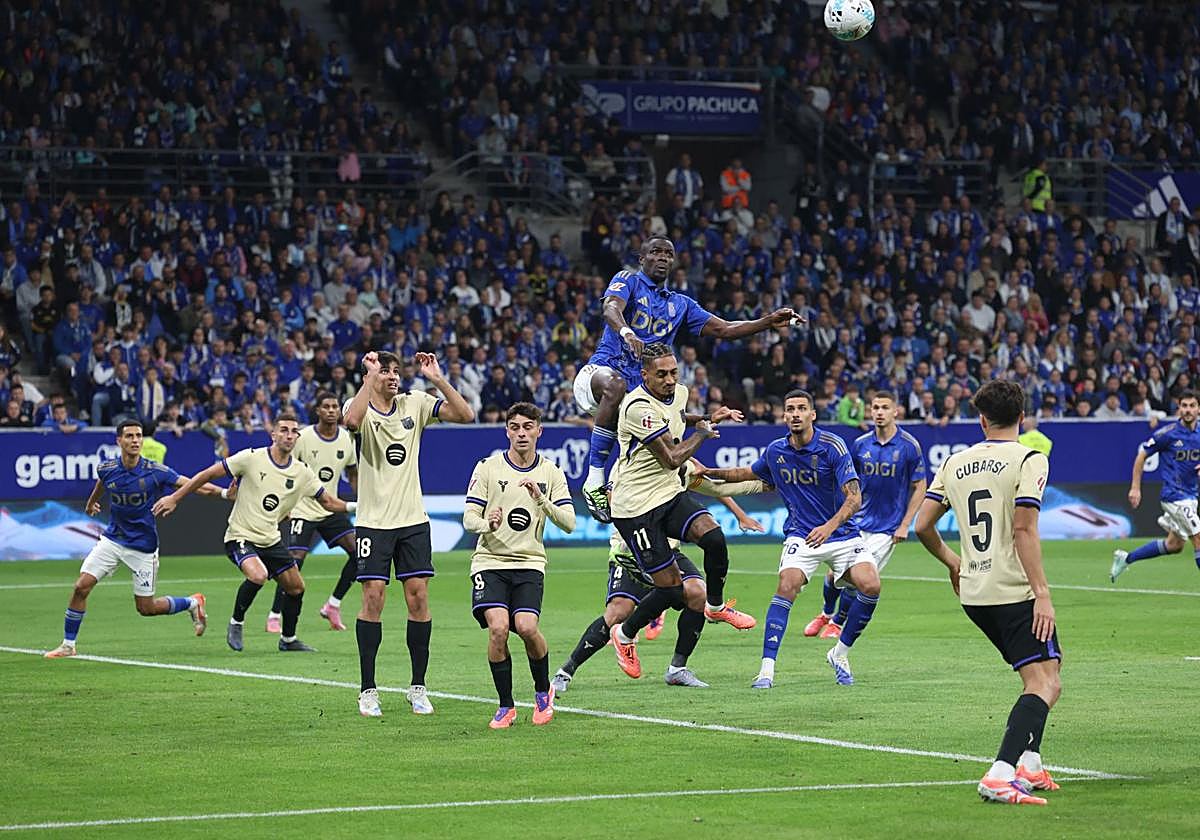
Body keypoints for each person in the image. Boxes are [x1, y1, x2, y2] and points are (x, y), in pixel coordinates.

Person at [575, 236, 797, 522]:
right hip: (599, 378)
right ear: (642, 259)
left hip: (635, 400)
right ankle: (594, 480)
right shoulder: (627, 280)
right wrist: (627, 333)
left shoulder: (680, 304)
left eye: (668, 253)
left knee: (675, 456)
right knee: (616, 385)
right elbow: (611, 308)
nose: (662, 257)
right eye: (655, 252)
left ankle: (638, 516)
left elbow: (725, 329)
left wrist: (767, 322)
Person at [915, 379, 1061, 805]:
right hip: (1013, 590)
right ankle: (1000, 773)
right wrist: (1042, 593)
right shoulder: (1029, 458)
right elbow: (1023, 529)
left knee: (1049, 667)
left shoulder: (954, 462)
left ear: (982, 420)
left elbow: (923, 525)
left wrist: (953, 562)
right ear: (1022, 417)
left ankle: (1030, 766)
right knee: (1044, 684)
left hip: (975, 591)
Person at [697, 390, 877, 688]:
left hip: (840, 533)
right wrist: (709, 471)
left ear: (812, 415)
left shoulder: (832, 446)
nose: (795, 413)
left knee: (871, 585)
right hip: (801, 535)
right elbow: (746, 473)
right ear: (783, 415)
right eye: (790, 408)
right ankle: (766, 671)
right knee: (786, 586)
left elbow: (854, 498)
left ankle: (839, 654)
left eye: (801, 408)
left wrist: (829, 527)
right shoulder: (776, 451)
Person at [605, 343, 756, 683]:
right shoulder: (636, 407)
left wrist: (705, 418)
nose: (670, 380)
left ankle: (715, 607)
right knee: (672, 590)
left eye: (674, 372)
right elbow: (672, 458)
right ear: (644, 375)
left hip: (667, 494)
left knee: (714, 538)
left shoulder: (679, 393)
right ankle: (625, 635)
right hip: (636, 509)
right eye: (661, 374)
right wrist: (702, 433)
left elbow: (676, 416)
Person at [551, 460, 767, 694]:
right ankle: (566, 671)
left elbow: (714, 486)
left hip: (668, 551)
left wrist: (757, 493)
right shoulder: (630, 464)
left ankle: (677, 669)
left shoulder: (680, 464)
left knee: (697, 593)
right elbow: (612, 501)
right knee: (618, 611)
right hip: (630, 549)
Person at [343, 350, 475, 718]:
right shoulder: (360, 405)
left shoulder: (414, 403)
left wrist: (437, 379)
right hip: (373, 522)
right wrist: (368, 377)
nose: (392, 376)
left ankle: (418, 687)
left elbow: (465, 415)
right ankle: (368, 690)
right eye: (384, 371)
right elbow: (351, 421)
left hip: (413, 520)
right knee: (373, 598)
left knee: (418, 599)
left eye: (395, 371)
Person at [153, 412, 350, 653]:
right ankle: (236, 623)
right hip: (240, 536)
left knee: (296, 587)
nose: (289, 435)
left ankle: (288, 640)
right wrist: (175, 498)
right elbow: (207, 474)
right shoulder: (251, 458)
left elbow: (328, 501)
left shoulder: (302, 472)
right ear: (273, 434)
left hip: (270, 540)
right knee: (258, 575)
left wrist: (358, 507)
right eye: (284, 430)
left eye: (294, 431)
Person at [44, 420, 220, 658]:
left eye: (138, 436)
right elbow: (102, 483)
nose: (135, 440)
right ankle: (68, 645)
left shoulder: (155, 471)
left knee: (146, 608)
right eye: (129, 436)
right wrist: (91, 502)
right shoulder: (107, 468)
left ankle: (192, 603)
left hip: (143, 547)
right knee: (81, 587)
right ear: (119, 441)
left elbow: (195, 485)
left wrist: (223, 493)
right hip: (113, 540)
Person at [463, 403, 575, 729]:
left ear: (539, 430)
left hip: (529, 561)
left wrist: (542, 500)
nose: (521, 433)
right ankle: (506, 706)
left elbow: (569, 522)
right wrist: (487, 523)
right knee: (499, 628)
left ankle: (542, 691)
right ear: (507, 431)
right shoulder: (488, 467)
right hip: (490, 561)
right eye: (515, 427)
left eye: (528, 427)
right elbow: (469, 517)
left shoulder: (551, 473)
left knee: (526, 627)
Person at [804, 391, 927, 639]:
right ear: (870, 411)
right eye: (875, 407)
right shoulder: (860, 445)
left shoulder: (908, 445)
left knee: (856, 578)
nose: (879, 412)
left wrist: (905, 524)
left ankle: (837, 623)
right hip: (856, 522)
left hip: (886, 529)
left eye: (885, 407)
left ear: (895, 412)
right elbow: (848, 482)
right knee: (833, 574)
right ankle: (826, 614)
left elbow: (920, 485)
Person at [259, 393, 360, 633]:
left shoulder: (346, 439)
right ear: (318, 411)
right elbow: (285, 468)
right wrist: (284, 505)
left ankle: (333, 605)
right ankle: (274, 616)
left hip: (330, 507)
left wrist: (361, 498)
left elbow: (352, 472)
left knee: (360, 554)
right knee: (292, 564)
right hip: (302, 509)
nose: (331, 410)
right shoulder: (303, 437)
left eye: (335, 406)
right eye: (326, 406)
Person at [1111, 390, 1200, 581]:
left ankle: (1126, 558)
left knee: (1175, 545)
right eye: (1184, 406)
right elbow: (1142, 456)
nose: (1188, 410)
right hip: (1174, 496)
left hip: (1192, 496)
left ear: (1198, 409)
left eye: (1192, 406)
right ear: (1179, 408)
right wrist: (1135, 487)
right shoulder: (1167, 434)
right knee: (1198, 537)